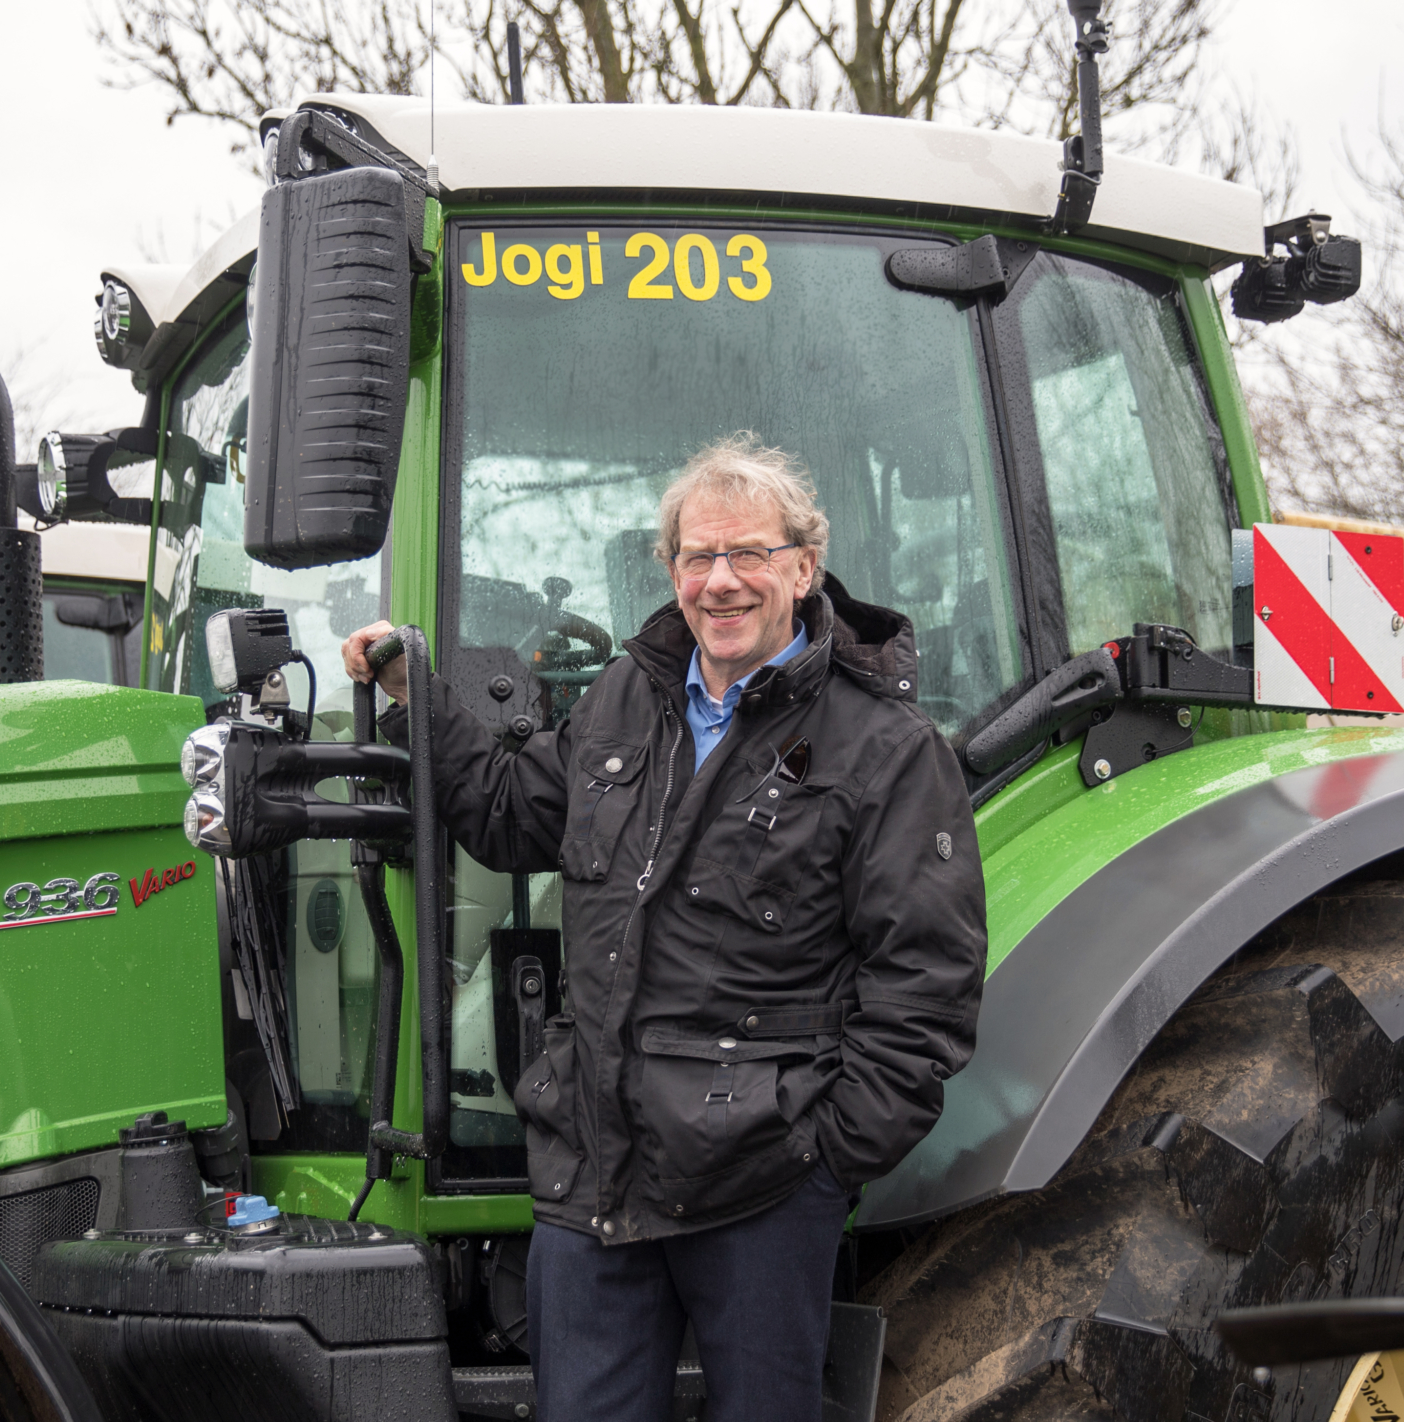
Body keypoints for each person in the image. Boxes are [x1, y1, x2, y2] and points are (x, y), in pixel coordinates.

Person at [340, 435, 986, 1422]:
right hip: (597, 1166)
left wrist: (825, 1158)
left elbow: (925, 986)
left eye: (748, 556)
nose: (719, 582)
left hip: (765, 1181)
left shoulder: (885, 747)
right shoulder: (624, 701)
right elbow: (511, 813)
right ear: (670, 569)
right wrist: (414, 700)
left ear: (802, 567)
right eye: (696, 557)